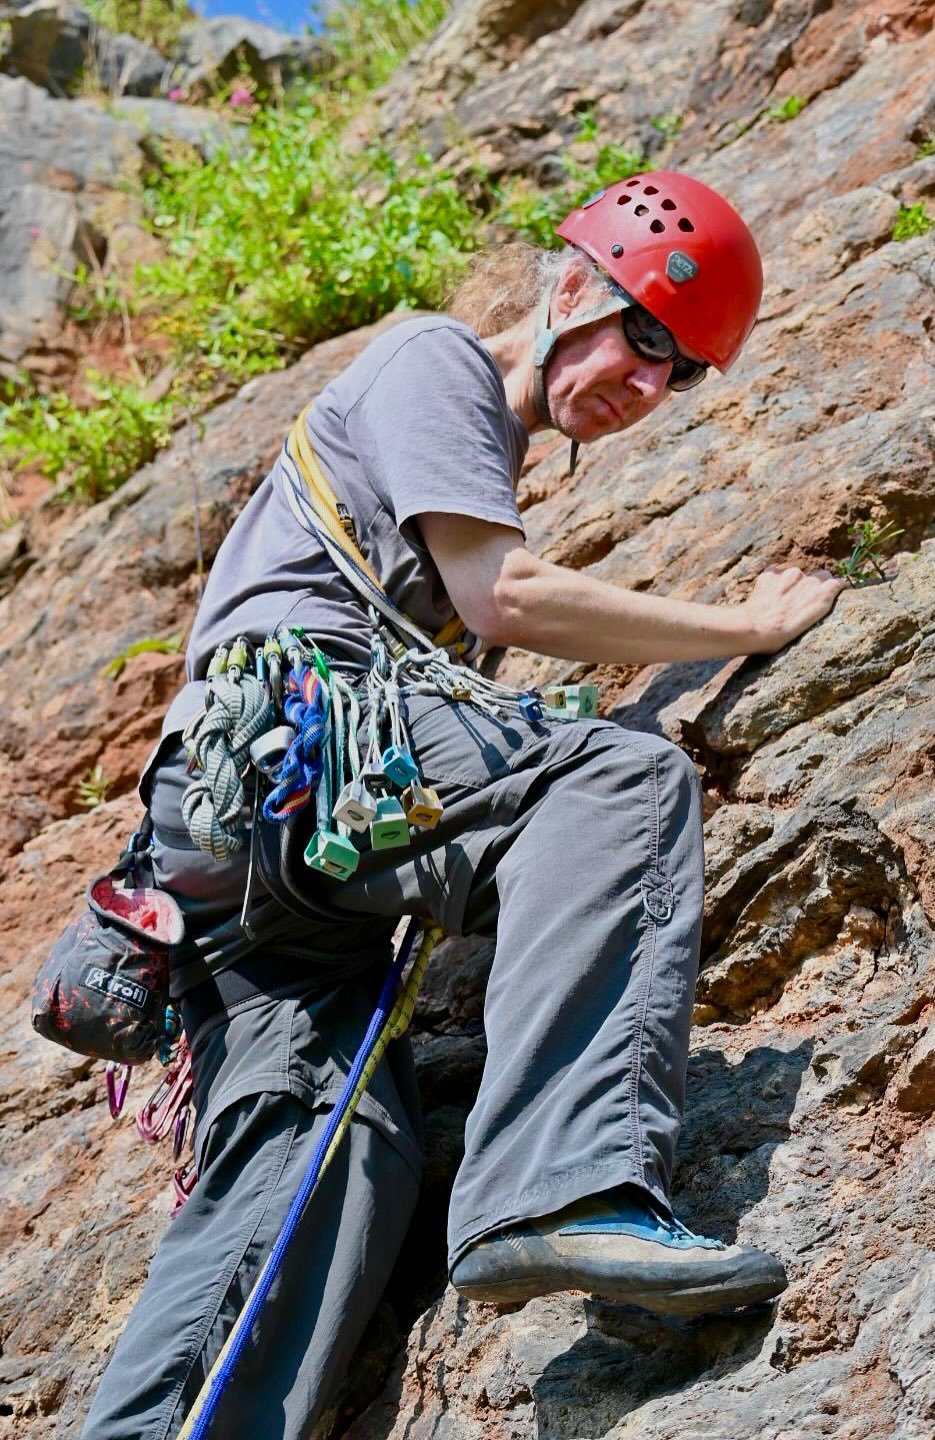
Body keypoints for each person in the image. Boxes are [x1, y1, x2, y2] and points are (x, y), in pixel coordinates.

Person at [80, 170, 845, 1440]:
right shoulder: (434, 362)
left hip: (238, 854)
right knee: (615, 778)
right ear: (566, 289)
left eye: (678, 373)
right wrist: (745, 626)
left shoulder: (466, 460)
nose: (645, 385)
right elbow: (510, 599)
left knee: (340, 1154)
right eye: (642, 336)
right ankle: (565, 1184)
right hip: (287, 753)